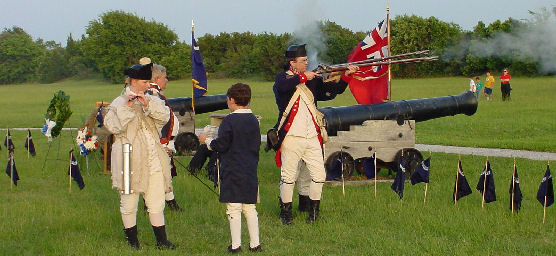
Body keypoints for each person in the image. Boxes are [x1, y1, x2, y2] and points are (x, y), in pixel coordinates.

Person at [272, 44, 358, 224]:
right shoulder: (283, 79)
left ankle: (313, 213)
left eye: (306, 60)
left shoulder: (312, 80)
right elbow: (282, 87)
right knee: (288, 177)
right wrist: (303, 76)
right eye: (303, 61)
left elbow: (333, 92)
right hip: (291, 137)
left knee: (319, 176)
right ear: (292, 63)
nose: (307, 62)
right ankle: (286, 213)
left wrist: (345, 77)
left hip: (312, 136)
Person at [104, 62, 176, 250]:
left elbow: (165, 117)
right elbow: (113, 127)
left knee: (156, 199)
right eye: (145, 81)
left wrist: (147, 105)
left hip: (153, 157)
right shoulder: (118, 102)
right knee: (129, 200)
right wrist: (128, 108)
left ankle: (162, 241)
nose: (147, 84)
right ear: (134, 81)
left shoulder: (151, 98)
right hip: (128, 158)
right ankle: (133, 242)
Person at [198, 83, 262, 253]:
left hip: (232, 168)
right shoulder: (254, 120)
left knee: (233, 208)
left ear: (232, 100)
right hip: (250, 168)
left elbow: (221, 145)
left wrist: (206, 140)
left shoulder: (229, 120)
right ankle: (255, 244)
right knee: (250, 207)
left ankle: (236, 246)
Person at [140, 57, 183, 212]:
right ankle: (151, 206)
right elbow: (156, 122)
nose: (167, 80)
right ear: (157, 78)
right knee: (156, 174)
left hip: (162, 142)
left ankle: (169, 204)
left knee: (163, 174)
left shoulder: (154, 94)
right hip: (158, 143)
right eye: (165, 77)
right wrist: (163, 143)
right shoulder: (152, 95)